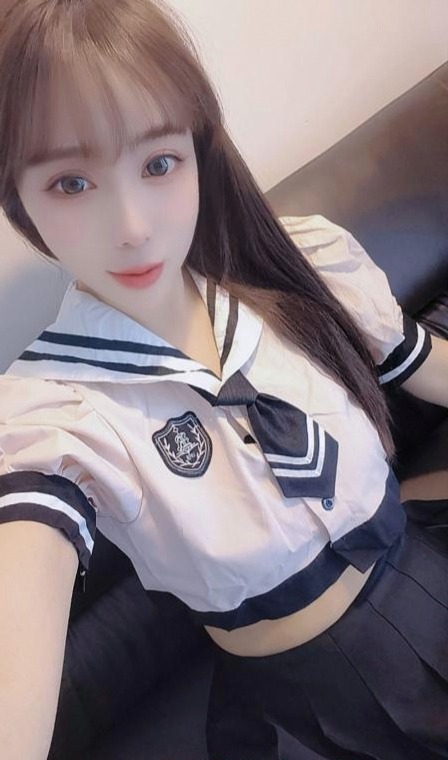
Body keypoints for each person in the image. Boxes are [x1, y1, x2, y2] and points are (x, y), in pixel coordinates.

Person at [0, 1, 447, 759]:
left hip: (424, 572)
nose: (133, 226)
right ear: (19, 200)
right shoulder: (55, 416)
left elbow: (428, 366)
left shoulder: (302, 266)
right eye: (71, 183)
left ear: (198, 152)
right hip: (315, 711)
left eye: (158, 163)